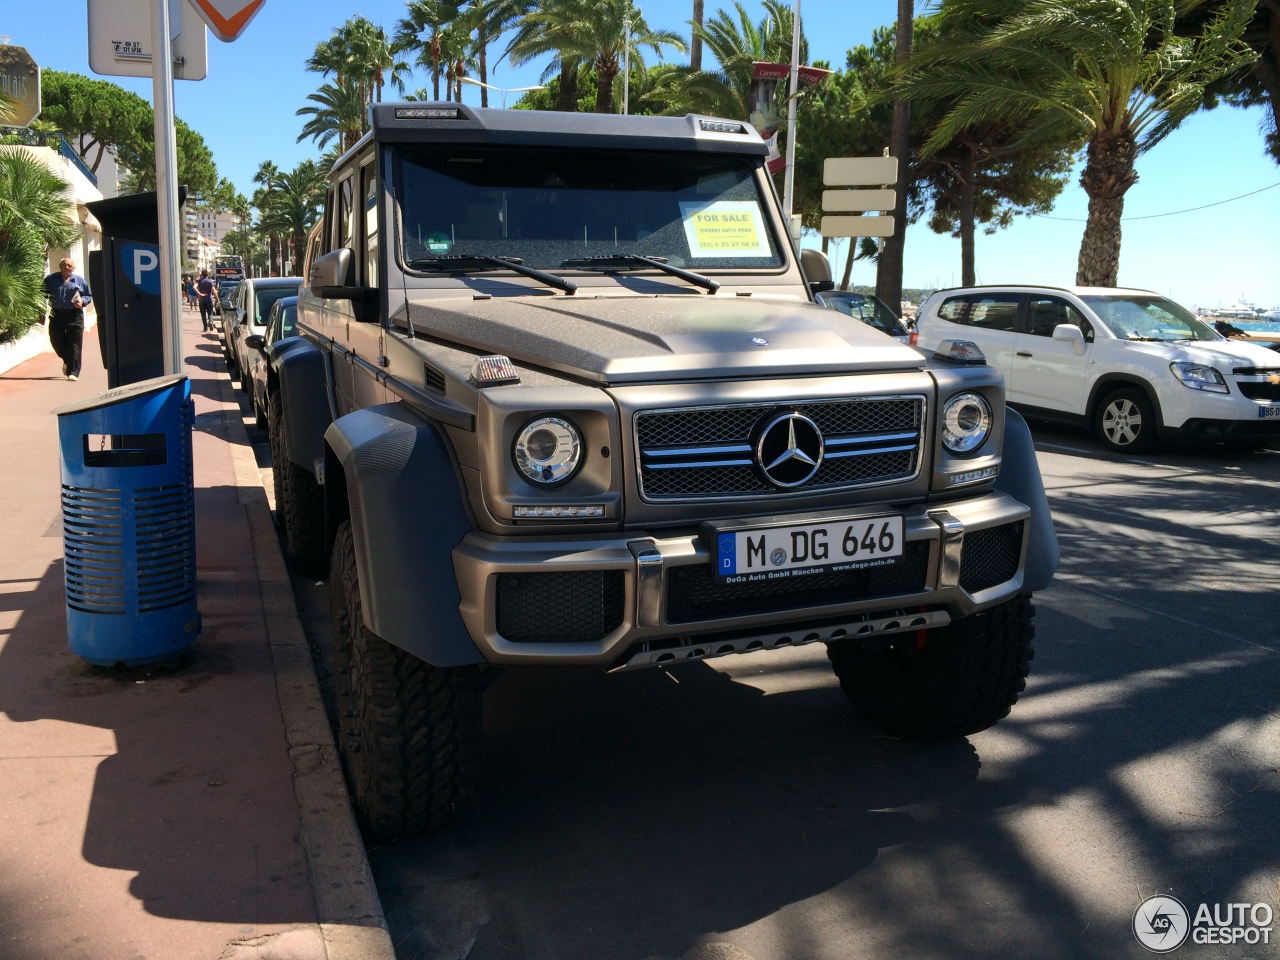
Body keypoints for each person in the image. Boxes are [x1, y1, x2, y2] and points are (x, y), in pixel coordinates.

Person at [43, 257, 93, 381]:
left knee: (74, 344)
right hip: (57, 314)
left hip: (75, 315)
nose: (67, 268)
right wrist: (40, 311)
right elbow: (42, 293)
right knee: (56, 341)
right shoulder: (51, 279)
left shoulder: (80, 281)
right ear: (60, 266)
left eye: (69, 266)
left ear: (73, 268)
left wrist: (82, 301)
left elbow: (88, 295)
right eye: (64, 265)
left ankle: (73, 373)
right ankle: (68, 360)